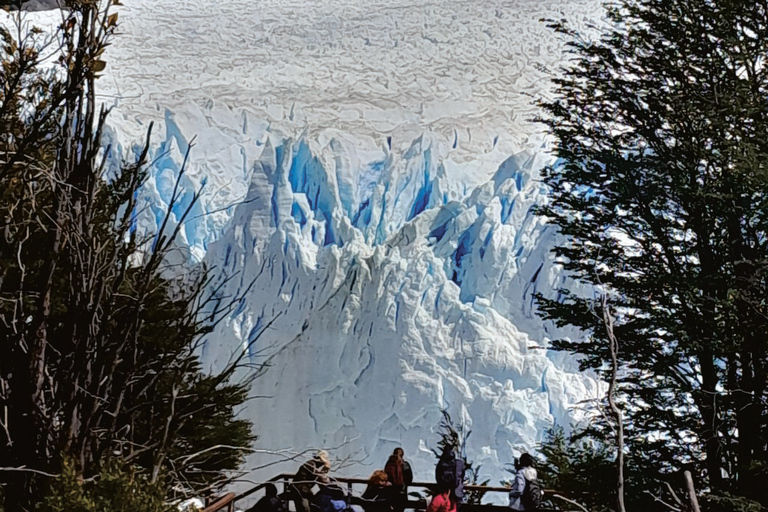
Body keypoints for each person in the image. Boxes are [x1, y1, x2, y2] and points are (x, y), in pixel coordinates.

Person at [435, 445, 465, 509]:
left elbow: (437, 476)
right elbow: (461, 477)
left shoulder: (441, 463)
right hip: (457, 493)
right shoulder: (459, 463)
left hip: (443, 493)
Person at [384, 448, 413, 512]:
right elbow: (409, 478)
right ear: (402, 455)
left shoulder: (389, 464)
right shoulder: (405, 464)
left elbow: (385, 476)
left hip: (390, 493)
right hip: (401, 492)